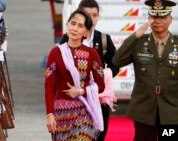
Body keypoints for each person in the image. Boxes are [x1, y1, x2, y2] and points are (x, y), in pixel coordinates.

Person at [112, 0, 178, 140]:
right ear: (149, 19)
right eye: (154, 17)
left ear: (170, 19)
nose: (158, 21)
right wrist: (135, 36)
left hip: (172, 110)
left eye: (163, 17)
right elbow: (116, 60)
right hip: (144, 111)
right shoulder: (139, 42)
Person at [60, 1, 119, 140]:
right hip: (74, 97)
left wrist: (103, 74)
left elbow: (115, 65)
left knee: (99, 135)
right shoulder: (67, 38)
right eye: (87, 14)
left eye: (95, 15)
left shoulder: (104, 39)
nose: (91, 19)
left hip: (99, 97)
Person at [45, 8, 105, 141]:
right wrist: (50, 115)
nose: (75, 28)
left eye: (80, 26)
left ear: (86, 32)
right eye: (73, 23)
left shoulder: (92, 54)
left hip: (84, 111)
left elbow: (101, 85)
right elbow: (49, 86)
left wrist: (81, 91)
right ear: (67, 25)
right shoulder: (55, 53)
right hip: (61, 114)